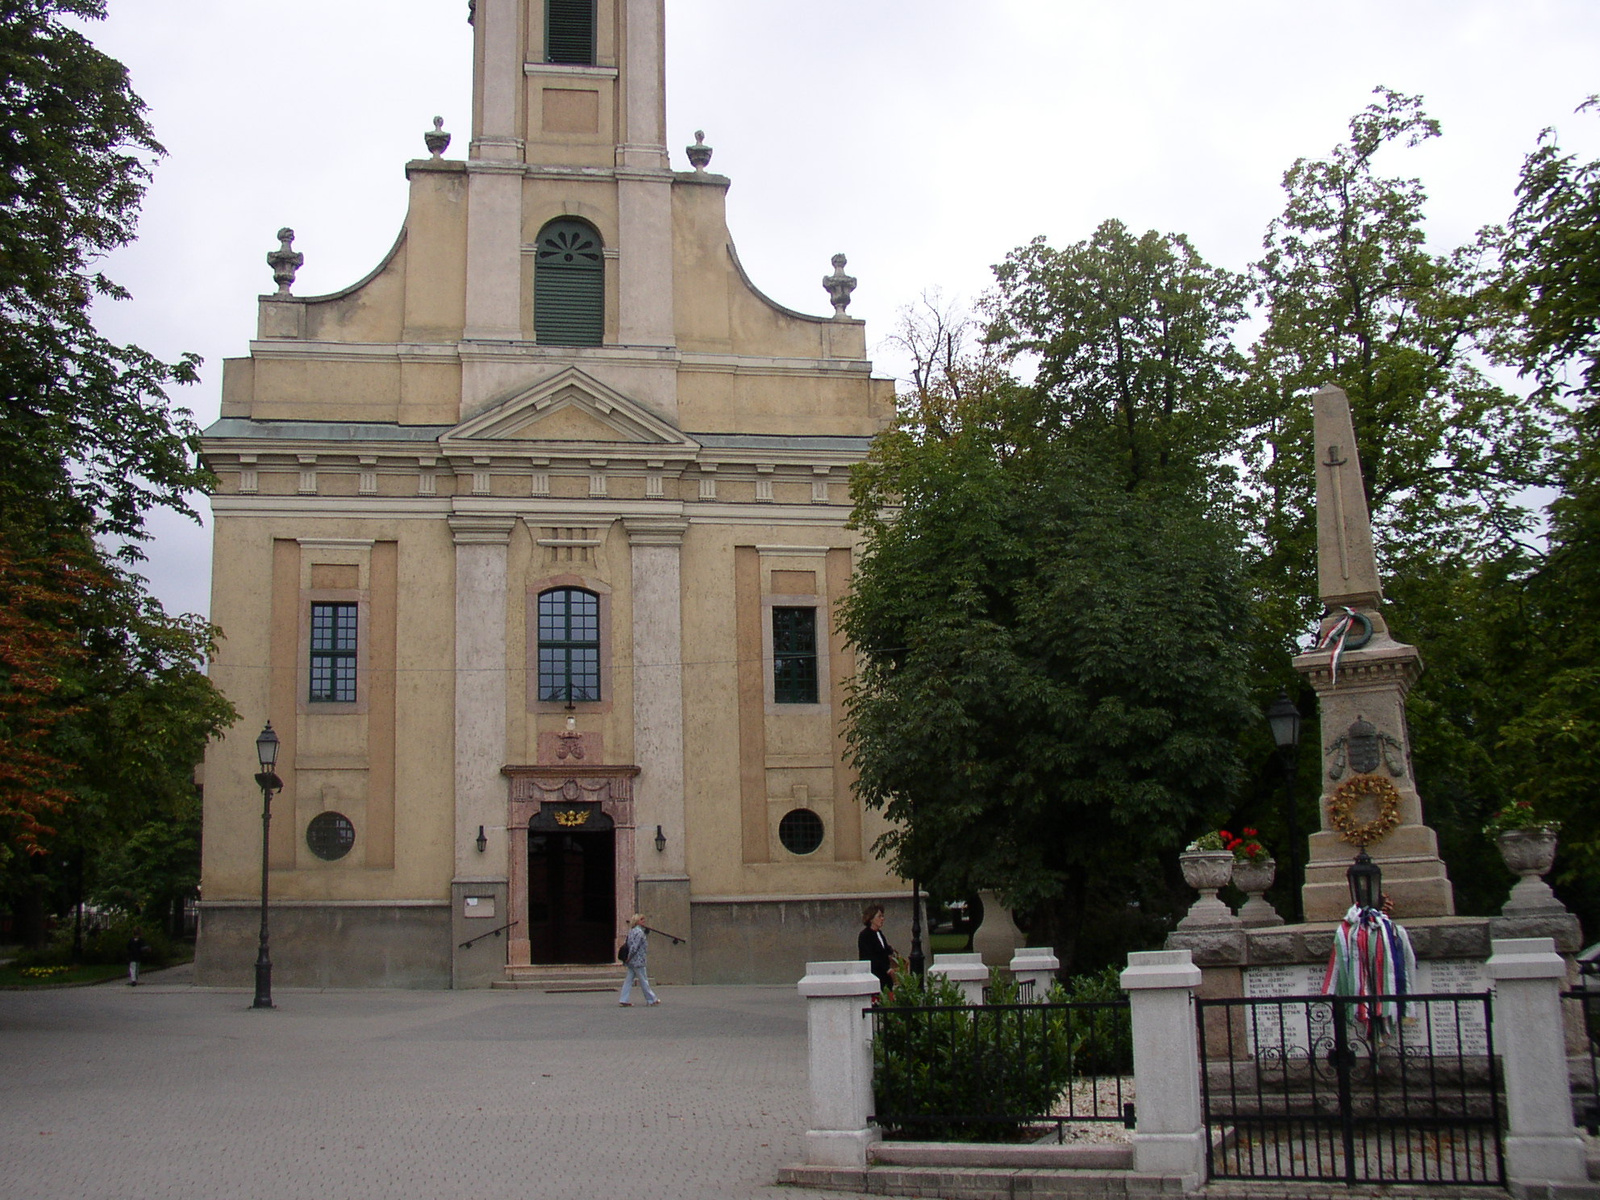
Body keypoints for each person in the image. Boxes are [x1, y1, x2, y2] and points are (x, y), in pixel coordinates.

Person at [618, 913, 660, 1007]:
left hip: (632, 961)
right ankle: (651, 999)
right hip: (638, 960)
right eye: (641, 919)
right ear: (637, 921)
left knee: (628, 980)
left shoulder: (631, 931)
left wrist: (628, 959)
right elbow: (634, 947)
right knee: (644, 980)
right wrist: (629, 957)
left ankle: (623, 999)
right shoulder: (639, 932)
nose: (643, 921)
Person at [857, 903, 895, 999]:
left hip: (885, 978)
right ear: (871, 919)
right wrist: (886, 968)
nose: (882, 919)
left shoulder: (879, 933)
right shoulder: (865, 935)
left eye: (882, 916)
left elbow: (884, 949)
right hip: (875, 975)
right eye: (879, 916)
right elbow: (869, 956)